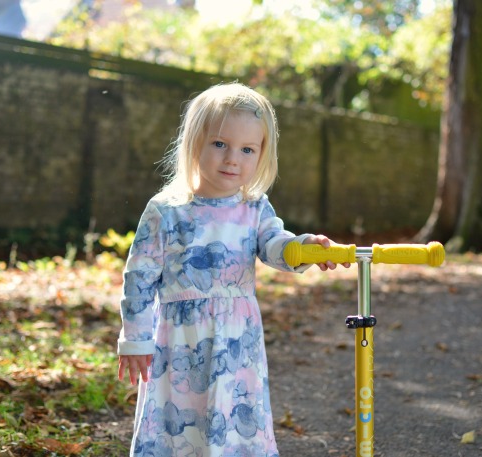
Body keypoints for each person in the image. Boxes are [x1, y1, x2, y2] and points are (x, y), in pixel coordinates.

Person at [117, 82, 348, 457]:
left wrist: (302, 248)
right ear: (194, 142)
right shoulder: (166, 210)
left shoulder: (254, 207)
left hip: (238, 342)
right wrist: (136, 340)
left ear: (262, 154)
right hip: (179, 342)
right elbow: (139, 278)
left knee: (235, 420)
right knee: (180, 424)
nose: (232, 159)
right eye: (220, 144)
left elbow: (274, 244)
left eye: (247, 149)